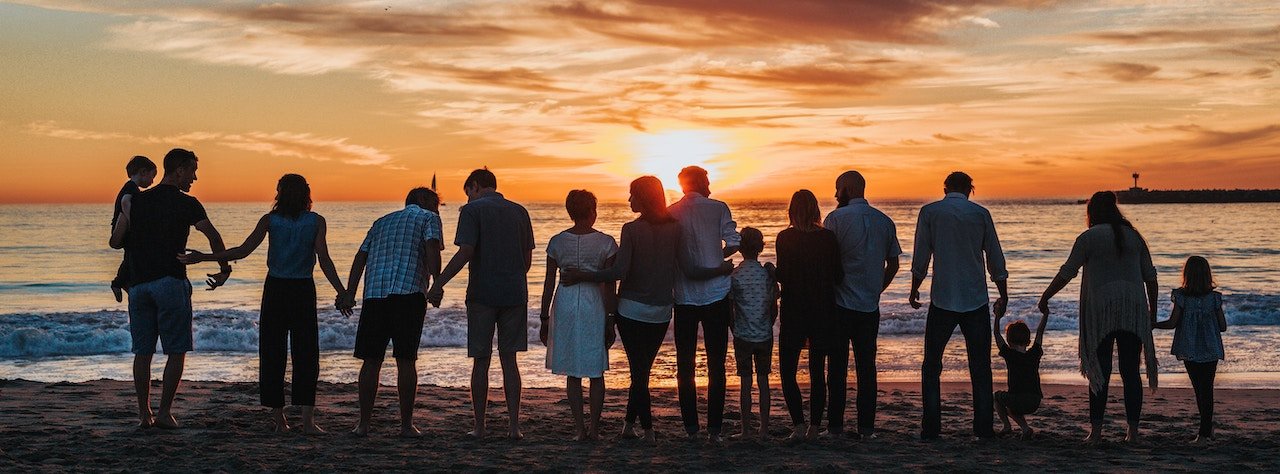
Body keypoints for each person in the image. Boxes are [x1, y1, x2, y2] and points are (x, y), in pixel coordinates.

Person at [178, 174, 349, 435]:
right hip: (302, 289)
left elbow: (242, 251)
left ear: (280, 193)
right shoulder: (315, 221)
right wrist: (342, 292)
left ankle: (279, 420)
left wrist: (205, 257)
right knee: (306, 354)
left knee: (272, 353)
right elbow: (324, 259)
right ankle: (307, 422)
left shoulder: (271, 220)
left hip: (277, 289)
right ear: (306, 194)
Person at [561, 176, 727, 443]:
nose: (629, 200)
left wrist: (582, 275)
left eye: (632, 195)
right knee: (641, 370)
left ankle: (648, 431)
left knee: (640, 373)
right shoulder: (675, 228)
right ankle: (628, 425)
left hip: (631, 310)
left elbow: (618, 271)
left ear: (643, 198)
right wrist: (721, 268)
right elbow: (690, 270)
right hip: (661, 312)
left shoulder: (630, 229)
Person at [109, 148, 232, 430]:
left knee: (143, 352)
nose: (195, 177)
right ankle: (164, 413)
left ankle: (144, 415)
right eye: (192, 171)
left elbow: (117, 241)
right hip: (170, 282)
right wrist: (224, 269)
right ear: (179, 170)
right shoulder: (187, 203)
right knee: (176, 350)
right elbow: (213, 235)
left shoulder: (135, 201)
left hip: (139, 285)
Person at [1037, 190, 1159, 443]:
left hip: (1100, 311)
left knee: (1099, 370)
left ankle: (1096, 432)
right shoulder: (1134, 237)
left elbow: (1067, 272)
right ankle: (1132, 432)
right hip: (1132, 309)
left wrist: (1046, 295)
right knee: (1130, 372)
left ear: (1092, 212)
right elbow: (1151, 277)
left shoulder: (1089, 238)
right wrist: (1152, 312)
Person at [427, 169, 535, 440]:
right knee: (510, 361)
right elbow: (527, 262)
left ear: (474, 186)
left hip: (482, 293)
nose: (469, 197)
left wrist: (438, 282)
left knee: (481, 361)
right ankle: (513, 427)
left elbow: (466, 251)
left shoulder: (471, 211)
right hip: (514, 293)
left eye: (468, 192)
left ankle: (480, 426)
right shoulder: (520, 211)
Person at [909, 171, 1008, 440]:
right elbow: (995, 258)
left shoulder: (930, 212)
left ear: (945, 188)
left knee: (932, 365)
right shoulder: (980, 214)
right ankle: (983, 429)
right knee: (980, 366)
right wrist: (1003, 292)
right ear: (970, 189)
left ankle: (931, 429)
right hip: (975, 298)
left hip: (942, 298)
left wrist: (914, 287)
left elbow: (922, 254)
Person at [340, 188, 443, 437]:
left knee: (371, 360)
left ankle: (363, 424)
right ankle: (406, 425)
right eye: (435, 203)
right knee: (406, 360)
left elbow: (360, 257)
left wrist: (349, 292)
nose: (438, 208)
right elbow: (431, 247)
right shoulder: (429, 218)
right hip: (408, 293)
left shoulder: (381, 221)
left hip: (375, 294)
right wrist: (437, 283)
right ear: (424, 201)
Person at [822, 172, 901, 439]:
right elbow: (894, 264)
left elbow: (827, 262)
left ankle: (835, 427)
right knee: (867, 369)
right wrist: (877, 288)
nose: (835, 195)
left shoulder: (834, 219)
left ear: (848, 188)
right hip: (869, 305)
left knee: (837, 369)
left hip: (840, 305)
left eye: (837, 189)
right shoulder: (884, 221)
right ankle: (866, 429)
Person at [668, 165, 741, 443]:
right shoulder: (719, 207)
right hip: (716, 294)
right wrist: (717, 255)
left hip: (684, 296)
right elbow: (734, 242)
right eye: (708, 180)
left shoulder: (672, 212)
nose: (710, 185)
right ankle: (714, 430)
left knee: (684, 363)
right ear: (701, 181)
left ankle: (690, 428)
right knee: (716, 364)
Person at [538, 190, 618, 442]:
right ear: (592, 212)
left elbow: (549, 283)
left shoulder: (557, 242)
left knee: (573, 371)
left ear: (570, 212)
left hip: (566, 303)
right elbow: (610, 285)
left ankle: (579, 429)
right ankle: (594, 429)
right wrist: (611, 317)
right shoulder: (606, 242)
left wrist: (544, 317)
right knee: (596, 370)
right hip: (594, 304)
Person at [775, 190, 843, 441]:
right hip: (824, 310)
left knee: (788, 370)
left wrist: (772, 272)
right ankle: (815, 426)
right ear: (816, 210)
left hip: (794, 310)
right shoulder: (828, 238)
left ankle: (799, 425)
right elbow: (838, 276)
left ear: (792, 211)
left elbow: (783, 275)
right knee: (817, 371)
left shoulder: (784, 237)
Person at [1154, 256, 1226, 442]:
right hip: (1210, 347)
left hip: (1189, 347)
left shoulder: (1181, 297)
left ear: (1186, 275)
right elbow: (1223, 326)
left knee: (1198, 388)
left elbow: (1172, 323)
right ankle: (1206, 430)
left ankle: (1204, 433)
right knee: (1207, 388)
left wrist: (1153, 324)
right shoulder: (1215, 298)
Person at [728, 227, 777, 442]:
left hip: (743, 335)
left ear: (739, 248)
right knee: (764, 381)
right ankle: (764, 429)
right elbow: (774, 305)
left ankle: (746, 430)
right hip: (764, 334)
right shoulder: (766, 274)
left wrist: (734, 328)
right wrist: (768, 323)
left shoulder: (735, 275)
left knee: (745, 384)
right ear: (761, 247)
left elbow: (731, 308)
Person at [993, 311, 1048, 440]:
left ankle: (1007, 426)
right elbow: (1040, 332)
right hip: (1035, 401)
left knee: (997, 397)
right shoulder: (1034, 353)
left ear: (1009, 341)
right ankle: (1025, 429)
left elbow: (996, 334)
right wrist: (1045, 314)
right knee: (1012, 406)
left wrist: (997, 317)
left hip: (1017, 400)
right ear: (1028, 341)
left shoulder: (1010, 354)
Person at [110, 155, 158, 302]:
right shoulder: (131, 188)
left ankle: (121, 282)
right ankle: (119, 282)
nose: (152, 181)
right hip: (123, 228)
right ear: (143, 172)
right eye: (152, 176)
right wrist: (135, 222)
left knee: (130, 255)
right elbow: (125, 202)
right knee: (132, 254)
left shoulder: (130, 187)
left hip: (125, 228)